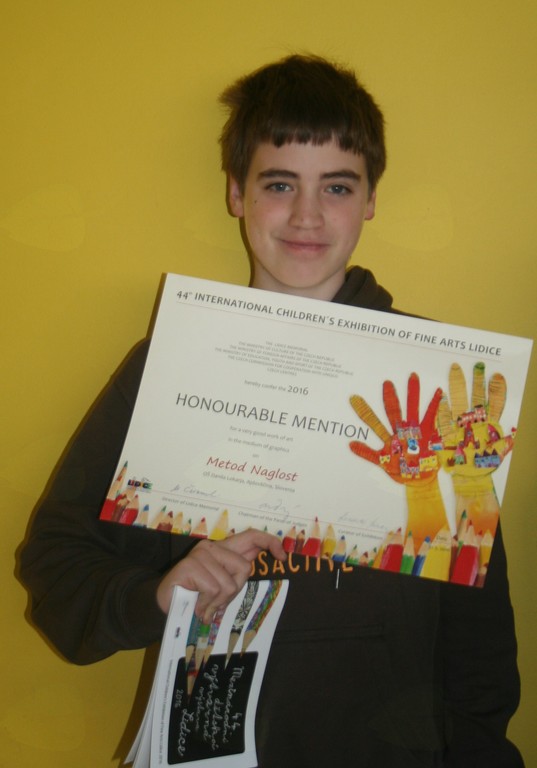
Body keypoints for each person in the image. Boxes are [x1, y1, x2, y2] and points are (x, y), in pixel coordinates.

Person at [19, 54, 523, 766]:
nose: (307, 216)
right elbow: (56, 565)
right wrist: (157, 595)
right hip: (206, 746)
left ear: (370, 199)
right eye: (279, 183)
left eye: (337, 186)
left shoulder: (435, 386)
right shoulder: (172, 364)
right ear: (236, 193)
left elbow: (478, 637)